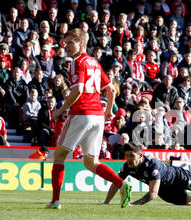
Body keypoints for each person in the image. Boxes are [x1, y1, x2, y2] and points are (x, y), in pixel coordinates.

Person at [45, 28, 131, 210]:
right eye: (65, 42)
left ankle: (55, 201)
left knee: (59, 155)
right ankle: (121, 184)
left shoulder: (77, 62)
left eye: (70, 42)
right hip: (98, 117)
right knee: (91, 162)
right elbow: (112, 90)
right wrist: (108, 111)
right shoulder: (95, 63)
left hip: (81, 114)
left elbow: (77, 90)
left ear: (81, 43)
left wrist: (60, 110)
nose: (66, 46)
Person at [103, 142, 191, 207]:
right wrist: (106, 202)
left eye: (131, 156)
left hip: (180, 178)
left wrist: (133, 205)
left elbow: (152, 194)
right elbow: (116, 183)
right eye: (126, 156)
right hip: (165, 191)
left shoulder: (152, 165)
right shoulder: (127, 167)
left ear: (140, 155)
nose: (128, 159)